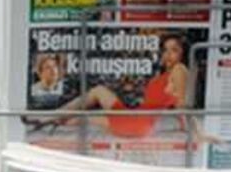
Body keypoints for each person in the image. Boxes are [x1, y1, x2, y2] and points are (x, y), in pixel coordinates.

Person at [54, 33, 214, 143]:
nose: (168, 54)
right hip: (137, 121)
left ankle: (52, 118)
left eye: (174, 50)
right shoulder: (169, 72)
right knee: (98, 93)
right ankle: (55, 118)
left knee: (85, 115)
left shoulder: (179, 70)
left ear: (183, 53)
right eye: (165, 50)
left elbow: (181, 105)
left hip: (136, 124)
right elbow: (175, 103)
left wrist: (198, 133)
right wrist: (184, 127)